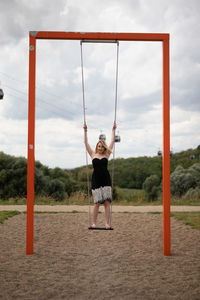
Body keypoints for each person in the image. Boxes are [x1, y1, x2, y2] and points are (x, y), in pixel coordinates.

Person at [83, 121, 117, 229]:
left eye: (102, 146)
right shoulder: (93, 154)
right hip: (96, 180)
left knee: (107, 203)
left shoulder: (106, 155)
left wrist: (113, 130)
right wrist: (85, 131)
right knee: (97, 203)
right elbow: (86, 143)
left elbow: (112, 141)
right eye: (98, 146)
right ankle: (94, 223)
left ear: (104, 148)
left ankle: (107, 223)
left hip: (106, 180)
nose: (100, 148)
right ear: (96, 147)